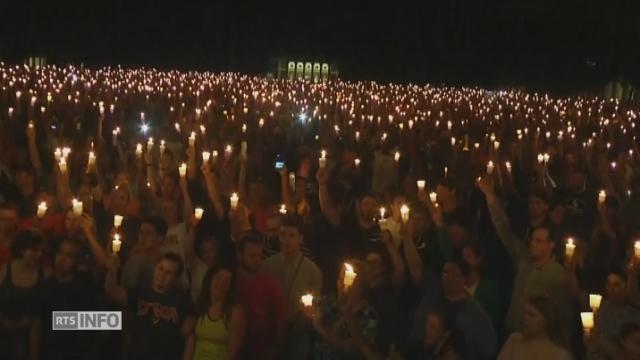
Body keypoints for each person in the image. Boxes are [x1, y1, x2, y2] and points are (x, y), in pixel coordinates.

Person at [477, 176, 575, 339]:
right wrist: (490, 197)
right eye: (532, 240)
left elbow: (564, 316)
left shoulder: (558, 275)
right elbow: (504, 229)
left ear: (551, 245)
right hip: (513, 337)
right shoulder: (523, 260)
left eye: (539, 241)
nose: (533, 244)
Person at [105, 251, 195, 360]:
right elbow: (112, 291)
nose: (162, 275)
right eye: (160, 268)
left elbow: (190, 337)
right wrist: (112, 269)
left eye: (168, 272)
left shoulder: (182, 301)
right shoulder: (140, 293)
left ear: (175, 279)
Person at [262, 214, 322, 360]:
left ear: (300, 238)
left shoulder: (312, 271)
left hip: (298, 333)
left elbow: (315, 307)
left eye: (291, 235)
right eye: (283, 235)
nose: (286, 240)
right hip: (271, 330)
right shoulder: (267, 265)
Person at [411, 261, 497, 359]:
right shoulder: (432, 292)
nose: (448, 277)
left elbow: (489, 353)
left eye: (454, 274)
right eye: (445, 272)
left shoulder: (478, 318)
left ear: (465, 279)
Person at [38, 238, 101, 360]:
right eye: (60, 252)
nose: (62, 259)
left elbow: (98, 323)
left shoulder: (85, 285)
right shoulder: (47, 285)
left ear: (78, 261)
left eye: (69, 255)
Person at [304, 261, 379, 360]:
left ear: (361, 286)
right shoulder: (330, 302)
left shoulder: (368, 315)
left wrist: (321, 329)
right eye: (340, 278)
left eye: (347, 280)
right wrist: (309, 310)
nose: (341, 284)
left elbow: (353, 350)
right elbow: (307, 304)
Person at [235, 232, 286, 360]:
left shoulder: (270, 286)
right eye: (252, 255)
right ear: (240, 256)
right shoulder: (230, 282)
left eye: (259, 255)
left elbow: (279, 322)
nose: (256, 259)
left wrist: (273, 352)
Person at [0, 229, 47, 360]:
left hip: (29, 339)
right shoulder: (5, 270)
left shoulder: (45, 274)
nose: (38, 254)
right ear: (21, 250)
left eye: (40, 251)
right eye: (33, 250)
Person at [185, 266, 245, 360]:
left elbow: (232, 352)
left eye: (227, 280)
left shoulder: (234, 312)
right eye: (218, 277)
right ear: (210, 280)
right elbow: (191, 342)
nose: (222, 283)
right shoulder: (200, 306)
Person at [498, 295, 572, 360]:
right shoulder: (514, 342)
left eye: (531, 315)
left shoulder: (561, 355)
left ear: (547, 320)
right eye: (525, 313)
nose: (525, 318)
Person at [121, 216, 167, 290]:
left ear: (159, 238)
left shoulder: (165, 265)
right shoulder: (134, 262)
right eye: (141, 232)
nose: (143, 237)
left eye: (148, 233)